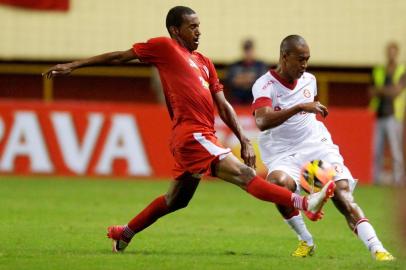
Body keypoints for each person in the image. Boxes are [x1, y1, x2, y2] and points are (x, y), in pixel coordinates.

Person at [43, 7, 334, 253]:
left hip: (202, 134)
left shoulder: (205, 63)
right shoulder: (165, 48)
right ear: (175, 30)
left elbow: (223, 105)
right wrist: (73, 65)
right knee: (246, 176)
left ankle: (125, 232)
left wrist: (243, 138)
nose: (198, 32)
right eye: (192, 27)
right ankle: (304, 201)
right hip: (191, 134)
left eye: (199, 27)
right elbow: (120, 56)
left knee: (176, 200)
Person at [251, 35, 394, 261]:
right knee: (278, 186)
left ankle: (378, 249)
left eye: (307, 59)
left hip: (315, 145)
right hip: (282, 152)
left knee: (342, 193)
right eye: (300, 59)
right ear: (284, 56)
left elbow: (305, 116)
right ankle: (306, 240)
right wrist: (299, 107)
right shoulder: (264, 84)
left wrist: (303, 109)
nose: (304, 65)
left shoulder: (310, 79)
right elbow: (262, 121)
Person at [369, 42, 405, 186]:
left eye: (393, 51)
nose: (390, 54)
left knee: (396, 151)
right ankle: (376, 180)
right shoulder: (379, 70)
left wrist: (381, 90)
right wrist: (387, 91)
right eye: (388, 51)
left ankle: (398, 179)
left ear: (397, 53)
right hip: (379, 116)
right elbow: (371, 91)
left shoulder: (402, 70)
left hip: (394, 116)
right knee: (376, 151)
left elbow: (396, 91)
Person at [225, 39, 268, 104]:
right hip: (238, 98)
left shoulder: (261, 66)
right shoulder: (235, 65)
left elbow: (263, 82)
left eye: (250, 50)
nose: (248, 53)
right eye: (246, 50)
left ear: (253, 50)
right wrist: (250, 79)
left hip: (254, 98)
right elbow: (230, 80)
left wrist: (241, 79)